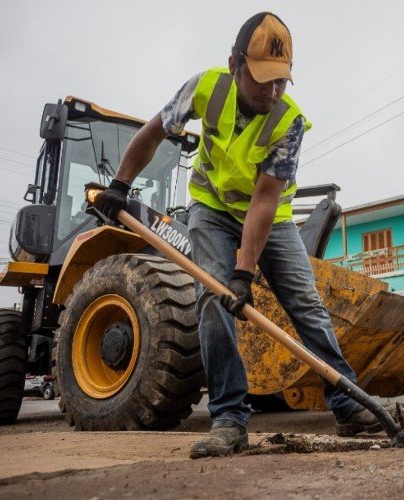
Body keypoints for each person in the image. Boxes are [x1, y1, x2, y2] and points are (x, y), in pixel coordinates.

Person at [93, 11, 382, 459]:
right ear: (235, 64)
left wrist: (244, 272)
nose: (271, 91)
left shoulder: (289, 122)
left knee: (306, 304)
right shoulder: (205, 88)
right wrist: (119, 186)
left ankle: (347, 403)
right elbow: (153, 133)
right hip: (209, 210)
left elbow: (265, 201)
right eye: (262, 79)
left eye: (281, 82)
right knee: (211, 300)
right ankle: (229, 418)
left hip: (270, 216)